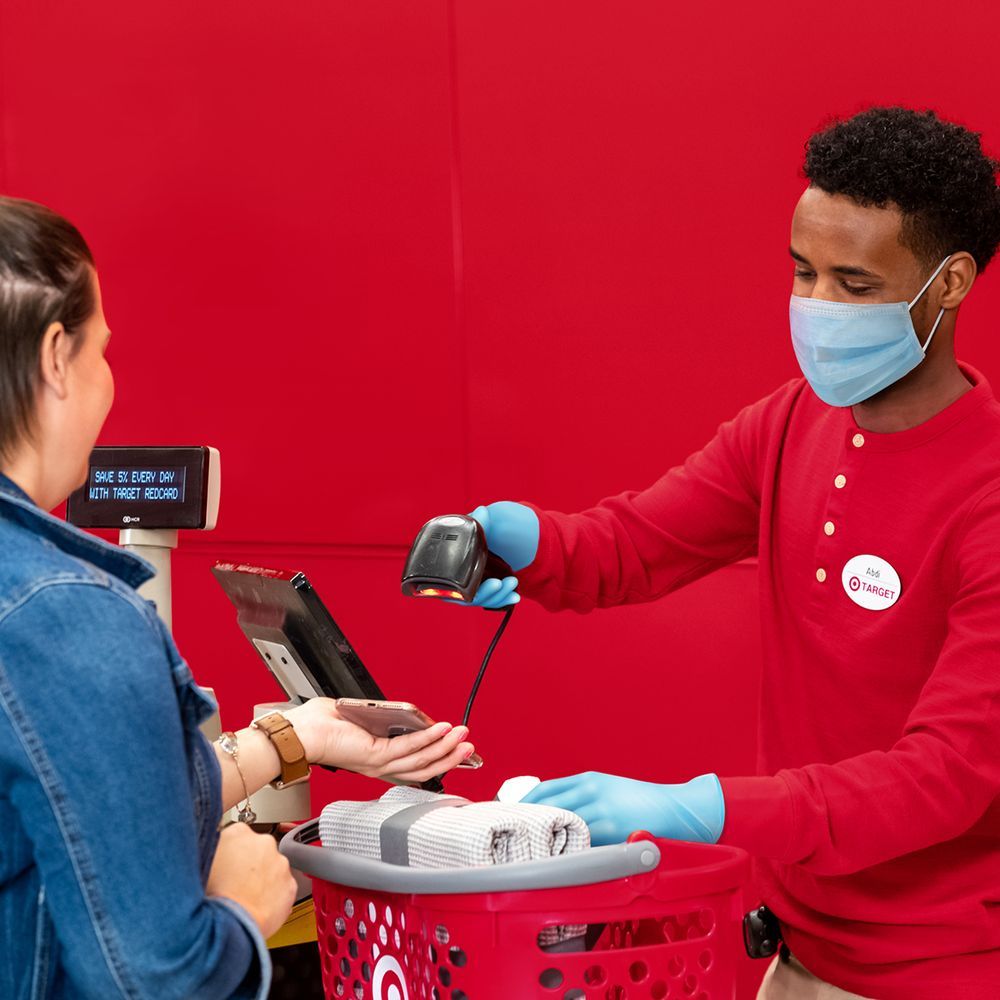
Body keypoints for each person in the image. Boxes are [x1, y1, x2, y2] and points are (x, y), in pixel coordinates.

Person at [437, 108, 1000, 999]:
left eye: (854, 283)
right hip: (800, 952)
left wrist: (700, 806)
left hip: (951, 969)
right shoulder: (787, 424)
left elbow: (945, 778)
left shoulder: (987, 493)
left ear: (950, 282)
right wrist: (528, 544)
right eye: (803, 271)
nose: (818, 307)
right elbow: (632, 545)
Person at [0, 195, 476, 999]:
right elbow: (157, 979)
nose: (107, 381)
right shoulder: (69, 618)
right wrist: (243, 909)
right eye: (100, 351)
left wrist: (293, 737)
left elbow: (73, 805)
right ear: (54, 357)